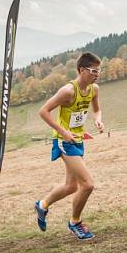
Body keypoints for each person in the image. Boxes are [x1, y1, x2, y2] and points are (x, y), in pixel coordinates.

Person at [34, 52, 105, 240]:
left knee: (71, 186)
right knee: (88, 184)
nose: (97, 74)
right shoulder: (68, 91)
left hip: (78, 139)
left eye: (99, 71)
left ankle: (42, 205)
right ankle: (75, 222)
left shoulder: (93, 89)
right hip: (64, 141)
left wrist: (98, 120)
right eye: (93, 71)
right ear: (82, 70)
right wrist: (64, 132)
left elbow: (96, 110)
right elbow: (43, 111)